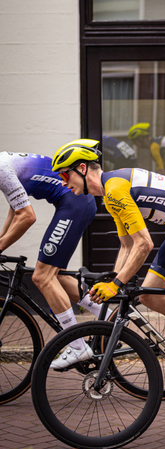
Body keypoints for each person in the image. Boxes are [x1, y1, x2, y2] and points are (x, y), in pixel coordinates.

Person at [52, 139, 165, 421]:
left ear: (81, 168)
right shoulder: (110, 191)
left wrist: (115, 285)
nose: (64, 183)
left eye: (65, 175)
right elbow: (127, 246)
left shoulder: (114, 190)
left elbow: (143, 245)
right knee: (149, 296)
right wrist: (114, 281)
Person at [0, 149, 110, 369]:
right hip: (78, 202)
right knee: (55, 274)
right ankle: (107, 316)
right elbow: (15, 209)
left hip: (75, 202)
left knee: (42, 277)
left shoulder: (2, 170)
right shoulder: (4, 162)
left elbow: (28, 217)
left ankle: (78, 347)